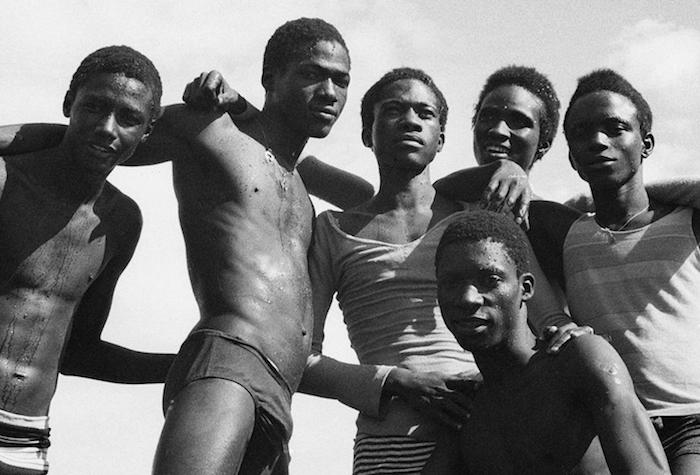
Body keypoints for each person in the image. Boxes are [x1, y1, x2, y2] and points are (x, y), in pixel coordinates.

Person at [0, 17, 350, 475]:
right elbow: (104, 135)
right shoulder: (211, 130)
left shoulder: (299, 182)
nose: (328, 91)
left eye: (341, 80)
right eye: (312, 74)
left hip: (280, 389)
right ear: (270, 78)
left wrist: (244, 105)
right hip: (230, 361)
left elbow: (368, 197)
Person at [295, 67, 568, 474]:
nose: (410, 121)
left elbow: (551, 322)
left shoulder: (482, 220)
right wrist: (393, 380)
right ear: (367, 133)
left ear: (440, 139)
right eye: (393, 110)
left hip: (490, 433)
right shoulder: (332, 231)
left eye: (425, 113)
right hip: (388, 446)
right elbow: (299, 359)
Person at [0, 45, 174, 474]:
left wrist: (191, 365)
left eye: (128, 118)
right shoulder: (5, 180)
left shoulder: (120, 221)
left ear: (147, 132)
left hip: (25, 442)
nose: (106, 128)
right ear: (68, 104)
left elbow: (78, 353)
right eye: (94, 107)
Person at [525, 69, 700, 474]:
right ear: (572, 158)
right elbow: (494, 215)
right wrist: (513, 172)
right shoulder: (566, 230)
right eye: (582, 133)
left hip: (691, 418)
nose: (598, 141)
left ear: (646, 143)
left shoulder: (687, 221)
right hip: (608, 427)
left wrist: (656, 190)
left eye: (616, 128)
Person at [425, 210, 669, 473]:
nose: (467, 298)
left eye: (490, 280)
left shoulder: (578, 362)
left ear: (526, 288)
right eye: (451, 283)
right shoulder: (468, 408)